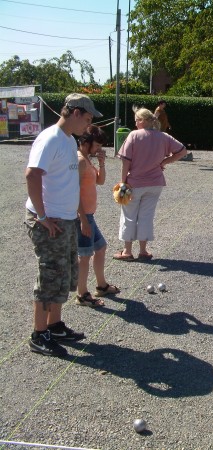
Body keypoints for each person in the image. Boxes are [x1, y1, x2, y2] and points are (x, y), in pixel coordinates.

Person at [25, 93, 103, 356]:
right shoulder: (50, 138)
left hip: (67, 219)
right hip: (50, 221)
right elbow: (32, 174)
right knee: (49, 274)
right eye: (88, 118)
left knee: (65, 274)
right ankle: (39, 333)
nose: (88, 125)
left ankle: (55, 325)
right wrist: (43, 217)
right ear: (75, 112)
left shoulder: (70, 141)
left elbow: (71, 186)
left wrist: (81, 217)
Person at [114, 107, 187, 261]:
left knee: (129, 216)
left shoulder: (133, 136)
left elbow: (125, 161)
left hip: (134, 183)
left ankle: (127, 252)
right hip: (155, 183)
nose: (135, 123)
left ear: (143, 120)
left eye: (137, 120)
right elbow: (182, 151)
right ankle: (143, 251)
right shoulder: (164, 136)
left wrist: (123, 182)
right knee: (146, 216)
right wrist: (164, 162)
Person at [75, 125, 120, 307]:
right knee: (84, 255)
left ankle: (101, 285)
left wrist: (101, 163)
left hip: (89, 215)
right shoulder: (79, 161)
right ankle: (82, 294)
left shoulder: (88, 159)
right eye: (97, 145)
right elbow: (74, 191)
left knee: (100, 248)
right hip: (83, 216)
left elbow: (100, 182)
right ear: (86, 142)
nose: (99, 149)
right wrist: (83, 219)